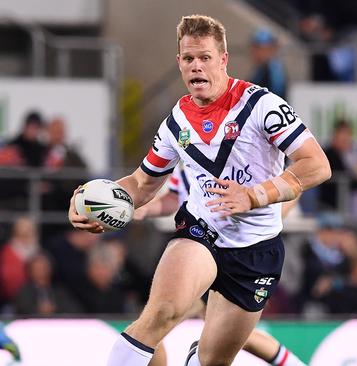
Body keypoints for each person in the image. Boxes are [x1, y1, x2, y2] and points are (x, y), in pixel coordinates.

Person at [68, 14, 330, 366]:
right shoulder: (176, 122)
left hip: (256, 250)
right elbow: (143, 183)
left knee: (212, 361)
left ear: (223, 60)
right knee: (160, 314)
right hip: (201, 232)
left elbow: (317, 165)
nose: (196, 66)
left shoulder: (262, 105)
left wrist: (254, 196)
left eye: (205, 58)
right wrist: (92, 198)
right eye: (188, 58)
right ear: (178, 62)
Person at [134, 163, 306, 366]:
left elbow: (293, 189)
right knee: (156, 323)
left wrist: (260, 215)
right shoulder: (190, 162)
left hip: (238, 259)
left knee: (233, 336)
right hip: (201, 257)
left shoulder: (248, 163)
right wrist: (145, 209)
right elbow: (173, 197)